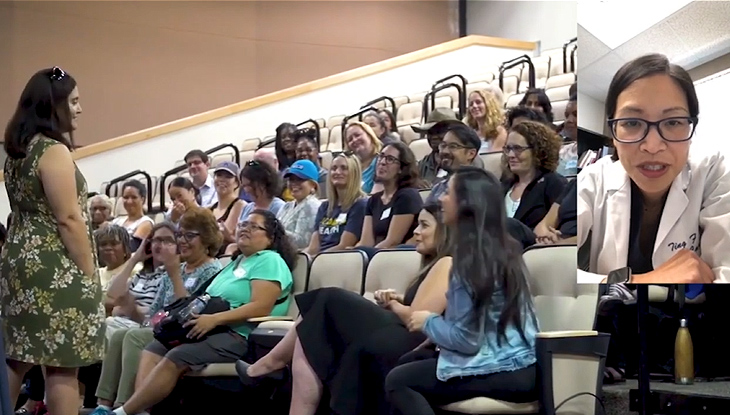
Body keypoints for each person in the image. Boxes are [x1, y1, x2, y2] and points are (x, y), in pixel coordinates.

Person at [237, 202, 452, 415]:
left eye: (424, 225)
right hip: (403, 337)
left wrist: (394, 305)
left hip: (414, 345)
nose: (416, 231)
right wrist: (399, 298)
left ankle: (270, 365)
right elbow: (431, 306)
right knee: (315, 324)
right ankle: (270, 368)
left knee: (328, 299)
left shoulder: (446, 262)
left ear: (445, 231)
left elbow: (416, 320)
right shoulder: (436, 265)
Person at [385, 167, 539, 415]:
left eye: (448, 192)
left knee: (398, 380)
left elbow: (467, 341)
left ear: (466, 203)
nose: (440, 198)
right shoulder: (505, 249)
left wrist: (428, 321)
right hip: (526, 366)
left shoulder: (469, 260)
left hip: (501, 370)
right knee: (410, 362)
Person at [111, 210, 296, 415]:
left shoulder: (270, 260)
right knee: (155, 347)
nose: (245, 229)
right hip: (212, 328)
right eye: (243, 224)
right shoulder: (236, 262)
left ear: (270, 238)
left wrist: (214, 319)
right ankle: (143, 412)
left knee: (178, 355)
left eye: (253, 226)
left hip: (241, 334)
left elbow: (261, 306)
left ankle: (123, 412)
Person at [1, 67, 105, 415]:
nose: (79, 109)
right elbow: (68, 218)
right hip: (54, 264)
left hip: (20, 259)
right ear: (53, 105)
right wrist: (88, 272)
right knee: (63, 363)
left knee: (17, 356)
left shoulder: (19, 152)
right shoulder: (52, 151)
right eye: (73, 102)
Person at [578, 53, 730, 284]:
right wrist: (643, 280)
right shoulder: (593, 179)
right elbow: (554, 274)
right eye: (632, 123)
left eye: (673, 122)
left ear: (691, 129)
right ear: (614, 135)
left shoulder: (713, 173)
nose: (652, 146)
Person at [88, 210, 222, 415]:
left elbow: (189, 312)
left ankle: (126, 407)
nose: (182, 241)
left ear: (206, 239)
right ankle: (103, 406)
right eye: (180, 235)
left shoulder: (212, 270)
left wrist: (175, 275)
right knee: (119, 335)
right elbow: (154, 312)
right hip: (164, 329)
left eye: (189, 235)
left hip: (187, 332)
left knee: (134, 336)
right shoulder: (176, 268)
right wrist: (135, 311)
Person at [355, 142, 423, 253]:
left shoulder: (407, 196)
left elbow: (392, 242)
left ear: (401, 168)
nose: (382, 162)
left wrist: (370, 255)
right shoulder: (373, 200)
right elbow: (366, 242)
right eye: (381, 156)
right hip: (377, 253)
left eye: (390, 159)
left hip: (395, 255)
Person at [501, 121, 567, 229]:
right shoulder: (504, 184)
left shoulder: (554, 183)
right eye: (508, 149)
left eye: (518, 148)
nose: (511, 155)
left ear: (538, 151)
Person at [302, 154, 368, 255]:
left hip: (339, 259)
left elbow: (344, 246)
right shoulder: (325, 207)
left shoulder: (360, 205)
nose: (337, 172)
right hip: (319, 258)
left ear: (354, 173)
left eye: (344, 168)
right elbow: (313, 247)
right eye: (334, 168)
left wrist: (317, 258)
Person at [276, 160, 322, 249]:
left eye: (300, 179)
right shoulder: (286, 206)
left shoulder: (312, 206)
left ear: (313, 185)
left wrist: (275, 233)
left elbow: (303, 242)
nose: (294, 183)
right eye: (291, 179)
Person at [209, 162, 245, 254]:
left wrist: (228, 236)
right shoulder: (209, 209)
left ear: (236, 182)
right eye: (219, 175)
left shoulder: (240, 205)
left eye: (228, 177)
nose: (222, 180)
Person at [344, 122, 383, 194]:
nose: (354, 140)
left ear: (369, 135)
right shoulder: (351, 168)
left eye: (357, 135)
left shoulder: (382, 162)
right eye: (350, 139)